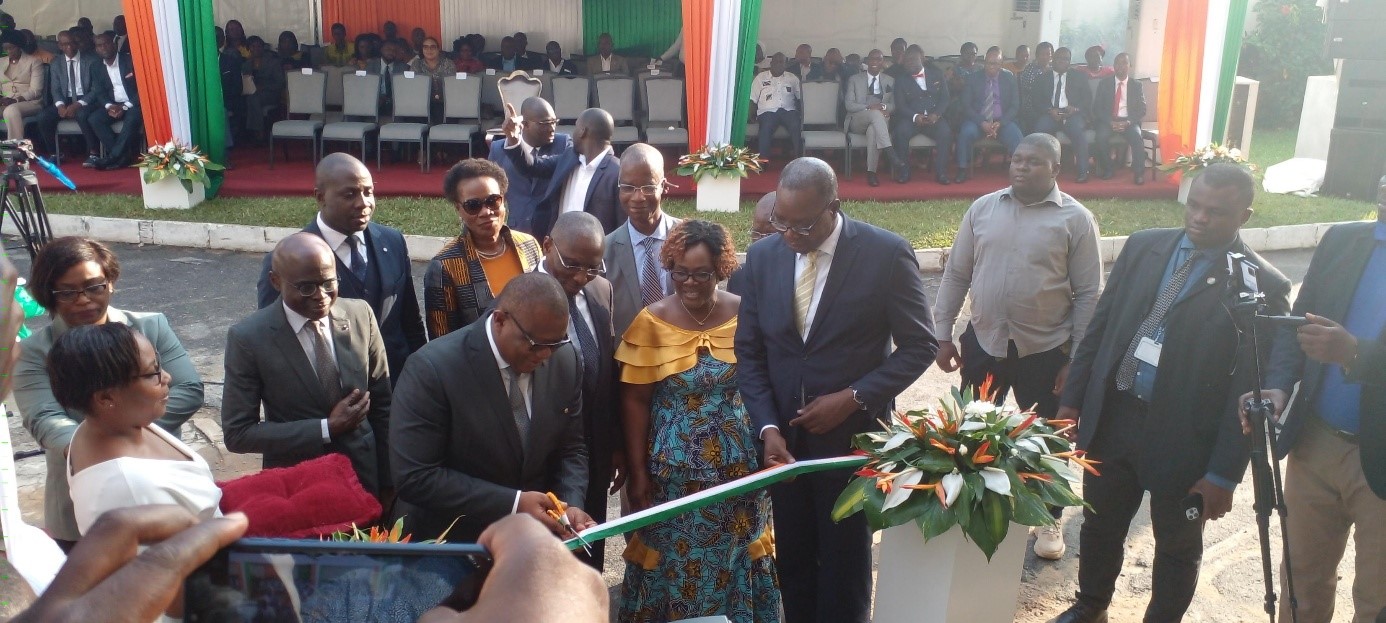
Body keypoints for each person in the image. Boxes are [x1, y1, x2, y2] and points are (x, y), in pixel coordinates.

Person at [1052, 163, 1291, 623]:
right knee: (1099, 524)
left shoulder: (1260, 285)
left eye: (1215, 212)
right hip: (1115, 419)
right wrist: (1072, 401)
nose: (1198, 218)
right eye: (1194, 205)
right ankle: (1091, 605)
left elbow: (1251, 391)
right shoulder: (1144, 246)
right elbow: (1100, 330)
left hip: (1185, 441)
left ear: (1245, 215)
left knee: (1177, 546)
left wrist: (1223, 475)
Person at [735, 157, 938, 623]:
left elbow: (919, 345)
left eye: (801, 226)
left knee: (846, 568)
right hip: (782, 447)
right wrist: (767, 427)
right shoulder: (764, 258)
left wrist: (853, 397)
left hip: (853, 443)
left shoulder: (885, 254)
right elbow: (750, 352)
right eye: (781, 223)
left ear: (834, 208)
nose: (789, 236)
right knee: (795, 561)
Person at [933, 133, 1103, 561]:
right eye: (1017, 159)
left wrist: (1077, 361)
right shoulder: (983, 208)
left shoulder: (1076, 220)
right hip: (984, 342)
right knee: (970, 433)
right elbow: (956, 274)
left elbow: (1088, 295)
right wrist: (941, 334)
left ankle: (1048, 517)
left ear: (1055, 170)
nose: (1021, 167)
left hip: (1046, 351)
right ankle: (969, 505)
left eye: (1033, 162)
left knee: (1048, 440)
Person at [616, 220, 781, 622]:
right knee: (676, 557)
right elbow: (634, 402)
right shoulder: (650, 321)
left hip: (741, 473)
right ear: (670, 266)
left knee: (737, 552)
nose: (689, 282)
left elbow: (768, 382)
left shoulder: (746, 314)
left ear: (721, 269)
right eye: (681, 272)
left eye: (702, 273)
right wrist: (637, 475)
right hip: (674, 475)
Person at [1244, 174, 1386, 623]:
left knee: (1377, 597)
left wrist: (1357, 354)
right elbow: (1299, 326)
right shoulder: (1345, 240)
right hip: (1317, 443)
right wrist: (1280, 387)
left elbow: (1345, 346)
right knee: (1300, 583)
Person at [17, 237, 204, 551]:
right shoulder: (33, 352)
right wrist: (101, 447)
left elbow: (188, 389)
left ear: (111, 283)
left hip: (163, 484)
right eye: (68, 292)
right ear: (48, 295)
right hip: (81, 505)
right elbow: (45, 418)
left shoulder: (151, 326)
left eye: (94, 287)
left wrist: (130, 434)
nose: (84, 300)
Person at [391, 273, 596, 541]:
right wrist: (513, 503)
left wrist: (569, 506)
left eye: (555, 344)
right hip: (449, 544)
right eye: (535, 345)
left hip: (528, 545)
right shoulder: (432, 369)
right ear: (500, 320)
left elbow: (571, 447)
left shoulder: (565, 360)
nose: (545, 356)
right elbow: (415, 477)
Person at [223, 233, 394, 497]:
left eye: (329, 283)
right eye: (306, 287)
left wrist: (389, 482)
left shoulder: (361, 315)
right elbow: (238, 433)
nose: (321, 296)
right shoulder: (249, 338)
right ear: (276, 282)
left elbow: (383, 406)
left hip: (364, 478)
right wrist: (326, 428)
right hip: (298, 485)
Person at [255, 153, 426, 386]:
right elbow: (274, 340)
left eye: (368, 192)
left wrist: (420, 377)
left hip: (395, 385)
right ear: (320, 197)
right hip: (331, 395)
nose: (363, 203)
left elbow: (410, 321)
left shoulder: (392, 241)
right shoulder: (288, 259)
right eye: (350, 194)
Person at [50, 323, 221, 538]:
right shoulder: (128, 488)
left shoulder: (113, 425)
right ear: (106, 398)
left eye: (159, 365)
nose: (167, 377)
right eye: (153, 373)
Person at [538, 212, 620, 569]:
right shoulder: (520, 295)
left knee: (588, 558)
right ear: (547, 246)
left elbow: (608, 373)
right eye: (571, 265)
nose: (580, 277)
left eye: (592, 268)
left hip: (595, 454)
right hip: (543, 457)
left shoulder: (601, 291)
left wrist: (615, 445)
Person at [425, 159, 544, 339]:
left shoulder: (529, 245)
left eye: (493, 201)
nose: (486, 212)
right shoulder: (445, 266)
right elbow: (441, 340)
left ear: (503, 200)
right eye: (473, 206)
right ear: (459, 209)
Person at [502, 106, 622, 237]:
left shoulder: (617, 172)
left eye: (576, 127)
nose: (573, 133)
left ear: (583, 131)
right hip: (559, 248)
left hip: (594, 254)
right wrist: (513, 138)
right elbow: (532, 166)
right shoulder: (569, 157)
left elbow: (621, 224)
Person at [605, 144, 684, 337]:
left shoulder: (688, 238)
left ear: (664, 186)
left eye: (648, 187)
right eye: (628, 187)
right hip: (631, 357)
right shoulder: (606, 251)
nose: (638, 197)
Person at [489, 97, 572, 234]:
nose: (552, 128)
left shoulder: (563, 144)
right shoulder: (499, 148)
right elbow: (491, 192)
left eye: (554, 122)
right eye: (544, 123)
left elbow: (533, 166)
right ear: (525, 124)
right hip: (517, 229)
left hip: (553, 232)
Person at [956, 46, 1023, 182]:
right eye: (987, 62)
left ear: (1001, 64)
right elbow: (966, 105)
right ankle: (962, 169)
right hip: (977, 120)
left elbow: (1015, 105)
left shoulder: (1009, 78)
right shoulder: (973, 78)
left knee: (1018, 138)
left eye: (994, 63)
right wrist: (982, 122)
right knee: (965, 132)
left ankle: (1019, 174)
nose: (990, 66)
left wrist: (1001, 123)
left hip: (1002, 121)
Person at [890, 48, 953, 185]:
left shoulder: (937, 74)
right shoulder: (901, 80)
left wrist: (936, 114)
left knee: (946, 132)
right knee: (900, 132)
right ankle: (904, 172)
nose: (909, 63)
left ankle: (941, 173)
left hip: (933, 119)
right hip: (912, 119)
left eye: (913, 59)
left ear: (922, 58)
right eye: (906, 60)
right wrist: (914, 116)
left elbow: (945, 99)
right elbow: (900, 105)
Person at [35, 30, 100, 164]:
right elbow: (55, 88)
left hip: (86, 99)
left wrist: (78, 104)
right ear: (59, 46)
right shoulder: (56, 63)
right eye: (64, 44)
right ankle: (55, 153)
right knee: (43, 117)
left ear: (76, 44)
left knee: (82, 114)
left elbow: (95, 89)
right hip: (65, 99)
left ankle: (94, 153)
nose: (69, 47)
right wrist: (60, 106)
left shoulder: (91, 60)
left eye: (71, 43)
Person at [1032, 46, 1093, 183]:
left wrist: (1076, 109)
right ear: (1053, 59)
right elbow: (1036, 100)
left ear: (1070, 62)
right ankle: (1039, 170)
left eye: (1066, 59)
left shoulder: (1079, 76)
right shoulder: (1043, 78)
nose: (1062, 61)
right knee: (1039, 130)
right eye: (1059, 58)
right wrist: (1049, 110)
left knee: (1078, 131)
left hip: (1072, 114)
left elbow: (1087, 99)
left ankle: (1083, 171)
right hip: (1051, 113)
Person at [86, 32, 143, 170]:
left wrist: (124, 107)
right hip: (113, 104)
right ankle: (123, 158)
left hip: (134, 104)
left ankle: (113, 157)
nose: (103, 48)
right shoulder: (96, 66)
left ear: (114, 44)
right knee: (95, 119)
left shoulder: (130, 61)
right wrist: (109, 106)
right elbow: (99, 91)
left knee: (132, 118)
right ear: (96, 49)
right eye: (99, 46)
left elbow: (143, 88)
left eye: (106, 43)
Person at [1092, 52, 1148, 184]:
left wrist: (1128, 122)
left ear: (1130, 66)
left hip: (1128, 121)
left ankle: (1139, 173)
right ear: (1113, 66)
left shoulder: (1136, 85)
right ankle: (1108, 168)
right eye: (1117, 63)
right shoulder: (1104, 83)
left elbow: (1142, 109)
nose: (1121, 66)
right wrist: (1110, 122)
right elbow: (1097, 108)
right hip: (1108, 121)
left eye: (1124, 63)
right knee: (1100, 137)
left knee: (1137, 137)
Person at [844, 49, 895, 187]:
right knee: (874, 113)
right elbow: (849, 105)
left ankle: (871, 173)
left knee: (873, 130)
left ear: (882, 62)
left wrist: (882, 107)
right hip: (858, 120)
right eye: (872, 59)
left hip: (877, 124)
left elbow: (893, 105)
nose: (874, 62)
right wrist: (869, 108)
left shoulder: (890, 80)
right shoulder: (854, 79)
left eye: (878, 59)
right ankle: (889, 149)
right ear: (867, 61)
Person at [750, 53, 803, 163]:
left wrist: (802, 114)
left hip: (788, 111)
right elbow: (752, 99)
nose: (779, 64)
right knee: (766, 126)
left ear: (786, 64)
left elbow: (800, 99)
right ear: (771, 63)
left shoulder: (792, 78)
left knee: (796, 124)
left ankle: (800, 161)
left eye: (782, 62)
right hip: (767, 112)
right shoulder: (760, 78)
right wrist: (751, 116)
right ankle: (763, 162)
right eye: (776, 62)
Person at [726, 192, 777, 296]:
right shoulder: (739, 277)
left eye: (769, 235)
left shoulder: (802, 278)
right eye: (756, 233)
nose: (760, 242)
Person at [0, 30, 46, 142]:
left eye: (11, 48)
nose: (8, 51)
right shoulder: (1, 62)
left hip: (30, 102)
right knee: (9, 109)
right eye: (5, 48)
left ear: (19, 46)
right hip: (4, 101)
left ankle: (14, 152)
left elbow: (36, 90)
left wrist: (15, 100)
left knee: (11, 110)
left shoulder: (34, 62)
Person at [240, 36, 285, 145]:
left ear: (263, 47)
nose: (256, 49)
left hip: (271, 93)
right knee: (248, 99)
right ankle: (250, 133)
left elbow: (280, 83)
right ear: (249, 48)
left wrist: (263, 87)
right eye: (253, 46)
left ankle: (258, 132)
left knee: (253, 99)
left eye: (259, 46)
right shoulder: (246, 64)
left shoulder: (273, 62)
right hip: (252, 92)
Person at [409, 37, 457, 122]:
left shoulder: (448, 63)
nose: (429, 50)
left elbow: (452, 86)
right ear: (422, 49)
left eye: (433, 47)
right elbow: (413, 86)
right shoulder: (417, 64)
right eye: (426, 47)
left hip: (444, 103)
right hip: (422, 102)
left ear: (438, 49)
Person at [1018, 41, 1053, 132]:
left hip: (1051, 107)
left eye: (1047, 54)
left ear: (1051, 56)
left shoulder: (1054, 71)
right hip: (1032, 108)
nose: (1045, 57)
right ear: (1037, 55)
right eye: (1042, 54)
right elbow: (1031, 91)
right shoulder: (1030, 69)